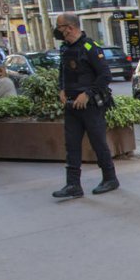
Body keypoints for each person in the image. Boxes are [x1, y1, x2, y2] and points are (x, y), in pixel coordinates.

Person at [52, 12, 119, 198]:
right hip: (72, 105)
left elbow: (105, 75)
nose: (57, 31)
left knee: (98, 143)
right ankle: (73, 185)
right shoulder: (65, 48)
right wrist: (61, 89)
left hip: (90, 106)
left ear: (70, 27)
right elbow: (62, 73)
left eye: (59, 26)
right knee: (71, 145)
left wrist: (87, 94)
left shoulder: (90, 46)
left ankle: (110, 178)